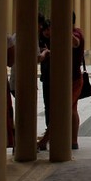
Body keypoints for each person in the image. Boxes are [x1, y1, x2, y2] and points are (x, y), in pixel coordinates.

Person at [37, 20, 51, 151]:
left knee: (55, 106)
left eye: (48, 29)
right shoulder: (39, 40)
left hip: (55, 77)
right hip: (46, 76)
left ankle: (50, 134)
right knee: (48, 105)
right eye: (44, 29)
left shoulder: (57, 38)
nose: (46, 32)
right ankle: (49, 129)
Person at [71, 12, 85, 150]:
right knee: (72, 109)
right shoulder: (77, 31)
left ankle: (45, 140)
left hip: (73, 78)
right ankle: (73, 141)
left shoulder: (76, 33)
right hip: (72, 77)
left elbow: (76, 42)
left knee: (65, 109)